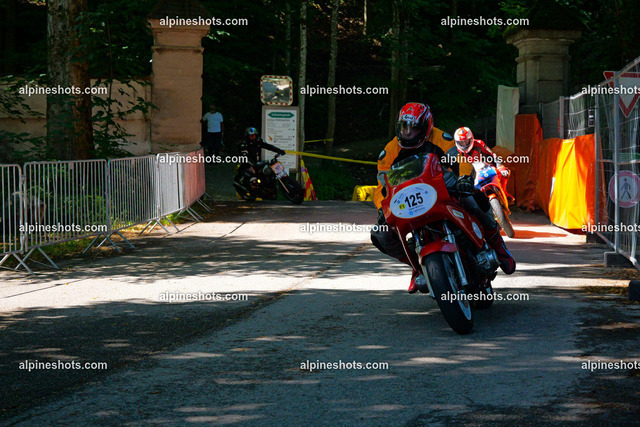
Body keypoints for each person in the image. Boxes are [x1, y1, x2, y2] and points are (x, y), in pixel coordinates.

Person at [371, 102, 516, 294]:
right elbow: (382, 186)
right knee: (381, 233)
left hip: (442, 184)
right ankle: (417, 266)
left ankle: (499, 247)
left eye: (414, 128)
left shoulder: (440, 138)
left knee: (474, 198)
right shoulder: (389, 151)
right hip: (408, 195)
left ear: (426, 126)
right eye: (404, 127)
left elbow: (460, 159)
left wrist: (464, 177)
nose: (408, 133)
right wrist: (381, 209)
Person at [454, 126, 510, 193]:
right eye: (461, 142)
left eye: (466, 141)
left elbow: (492, 155)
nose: (464, 144)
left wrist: (500, 167)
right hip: (469, 175)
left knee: (501, 173)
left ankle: (504, 193)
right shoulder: (456, 152)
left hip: (484, 169)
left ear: (471, 139)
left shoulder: (479, 144)